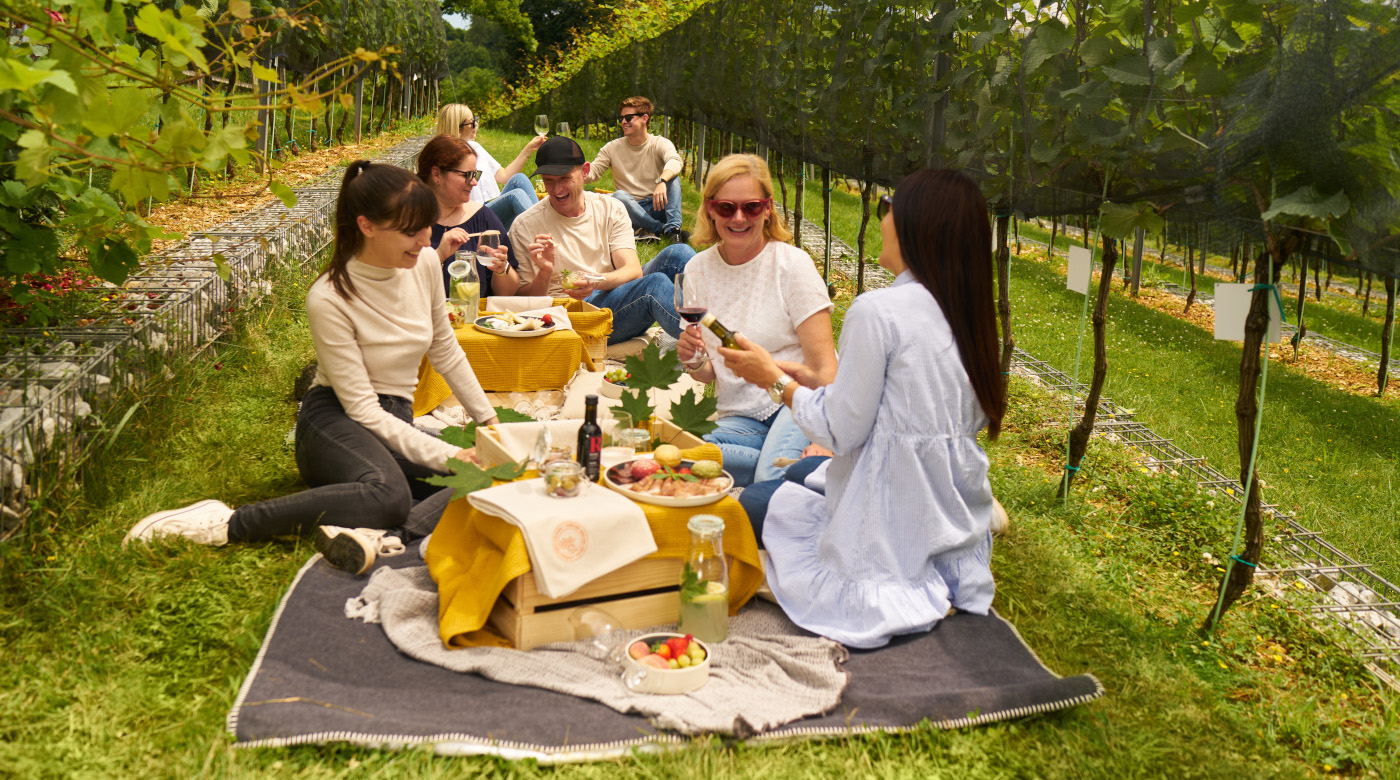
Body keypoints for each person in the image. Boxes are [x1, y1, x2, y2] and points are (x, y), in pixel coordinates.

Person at [125, 162, 499, 575]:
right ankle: (228, 522)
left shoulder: (426, 262)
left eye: (426, 226)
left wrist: (490, 422)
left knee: (489, 474)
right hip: (336, 421)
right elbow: (363, 411)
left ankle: (388, 536)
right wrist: (451, 454)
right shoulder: (330, 297)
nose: (427, 239)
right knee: (390, 493)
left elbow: (444, 347)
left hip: (395, 418)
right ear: (367, 226)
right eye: (410, 231)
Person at [721, 169, 1007, 649]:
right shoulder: (967, 311)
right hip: (947, 505)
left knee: (752, 503)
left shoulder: (878, 310)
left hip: (891, 515)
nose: (881, 219)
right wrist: (813, 381)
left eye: (887, 209)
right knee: (798, 476)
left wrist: (770, 378)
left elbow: (839, 432)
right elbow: (911, 408)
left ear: (917, 225)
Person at [675, 154, 837, 487]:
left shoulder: (792, 266)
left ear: (767, 209)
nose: (738, 217)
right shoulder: (697, 270)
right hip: (742, 414)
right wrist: (693, 360)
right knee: (686, 452)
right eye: (726, 208)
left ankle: (788, 464)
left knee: (767, 474)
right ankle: (786, 462)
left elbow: (826, 370)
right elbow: (708, 374)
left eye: (750, 207)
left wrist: (825, 435)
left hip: (796, 400)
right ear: (709, 208)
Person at [509, 136, 696, 345]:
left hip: (611, 291)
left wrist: (593, 280)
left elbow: (632, 271)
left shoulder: (610, 207)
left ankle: (721, 323)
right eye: (548, 181)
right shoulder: (524, 225)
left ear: (585, 171)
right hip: (574, 317)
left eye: (564, 179)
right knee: (654, 285)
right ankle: (712, 345)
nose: (556, 190)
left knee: (680, 253)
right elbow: (524, 304)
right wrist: (544, 271)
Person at [417, 134, 520, 297]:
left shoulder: (482, 216)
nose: (474, 182)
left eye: (475, 174)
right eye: (466, 175)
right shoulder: (407, 222)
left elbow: (508, 293)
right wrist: (438, 256)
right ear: (436, 174)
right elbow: (397, 287)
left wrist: (502, 269)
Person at [584, 96, 688, 244]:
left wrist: (662, 181)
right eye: (622, 118)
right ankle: (663, 231)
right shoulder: (612, 147)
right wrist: (577, 172)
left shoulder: (659, 143)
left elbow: (675, 161)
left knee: (672, 178)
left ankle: (673, 229)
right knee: (619, 196)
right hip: (630, 212)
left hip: (657, 204)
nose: (623, 122)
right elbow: (593, 173)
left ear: (644, 118)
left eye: (628, 118)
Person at [435, 103, 544, 230]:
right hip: (473, 217)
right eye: (471, 123)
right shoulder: (446, 159)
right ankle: (546, 231)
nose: (476, 125)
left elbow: (504, 176)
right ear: (458, 129)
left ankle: (548, 224)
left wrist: (529, 149)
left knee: (519, 179)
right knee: (516, 195)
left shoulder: (475, 147)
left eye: (475, 120)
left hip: (492, 206)